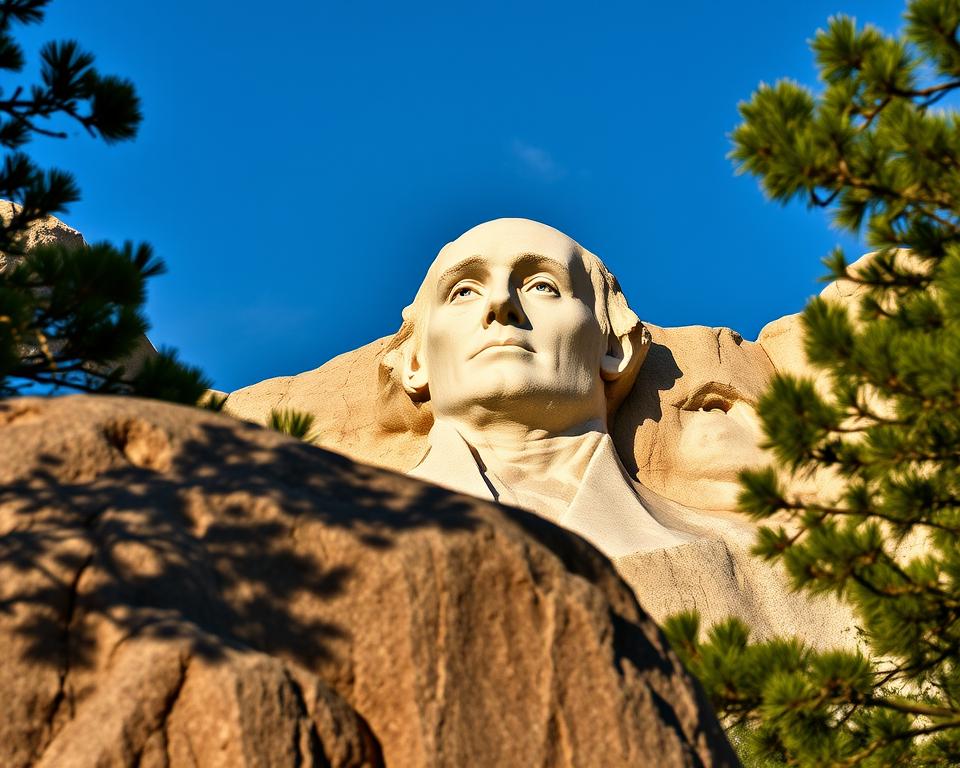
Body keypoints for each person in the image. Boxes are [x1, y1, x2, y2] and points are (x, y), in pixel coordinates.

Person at [382, 217, 692, 558]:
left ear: (615, 347)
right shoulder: (342, 535)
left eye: (543, 285)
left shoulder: (726, 547)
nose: (500, 304)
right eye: (464, 291)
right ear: (414, 361)